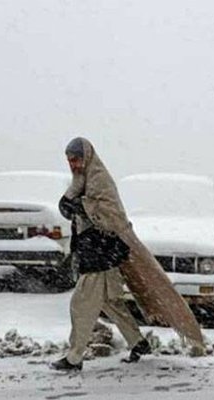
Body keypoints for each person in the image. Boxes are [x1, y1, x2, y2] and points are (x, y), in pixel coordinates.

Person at [50, 137, 150, 372]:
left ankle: (74, 358)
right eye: (69, 160)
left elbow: (110, 213)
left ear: (87, 157)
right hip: (99, 251)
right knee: (111, 302)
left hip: (100, 251)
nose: (73, 164)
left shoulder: (99, 179)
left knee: (80, 305)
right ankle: (138, 342)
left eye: (76, 159)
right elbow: (75, 203)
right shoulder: (82, 179)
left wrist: (82, 207)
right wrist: (68, 204)